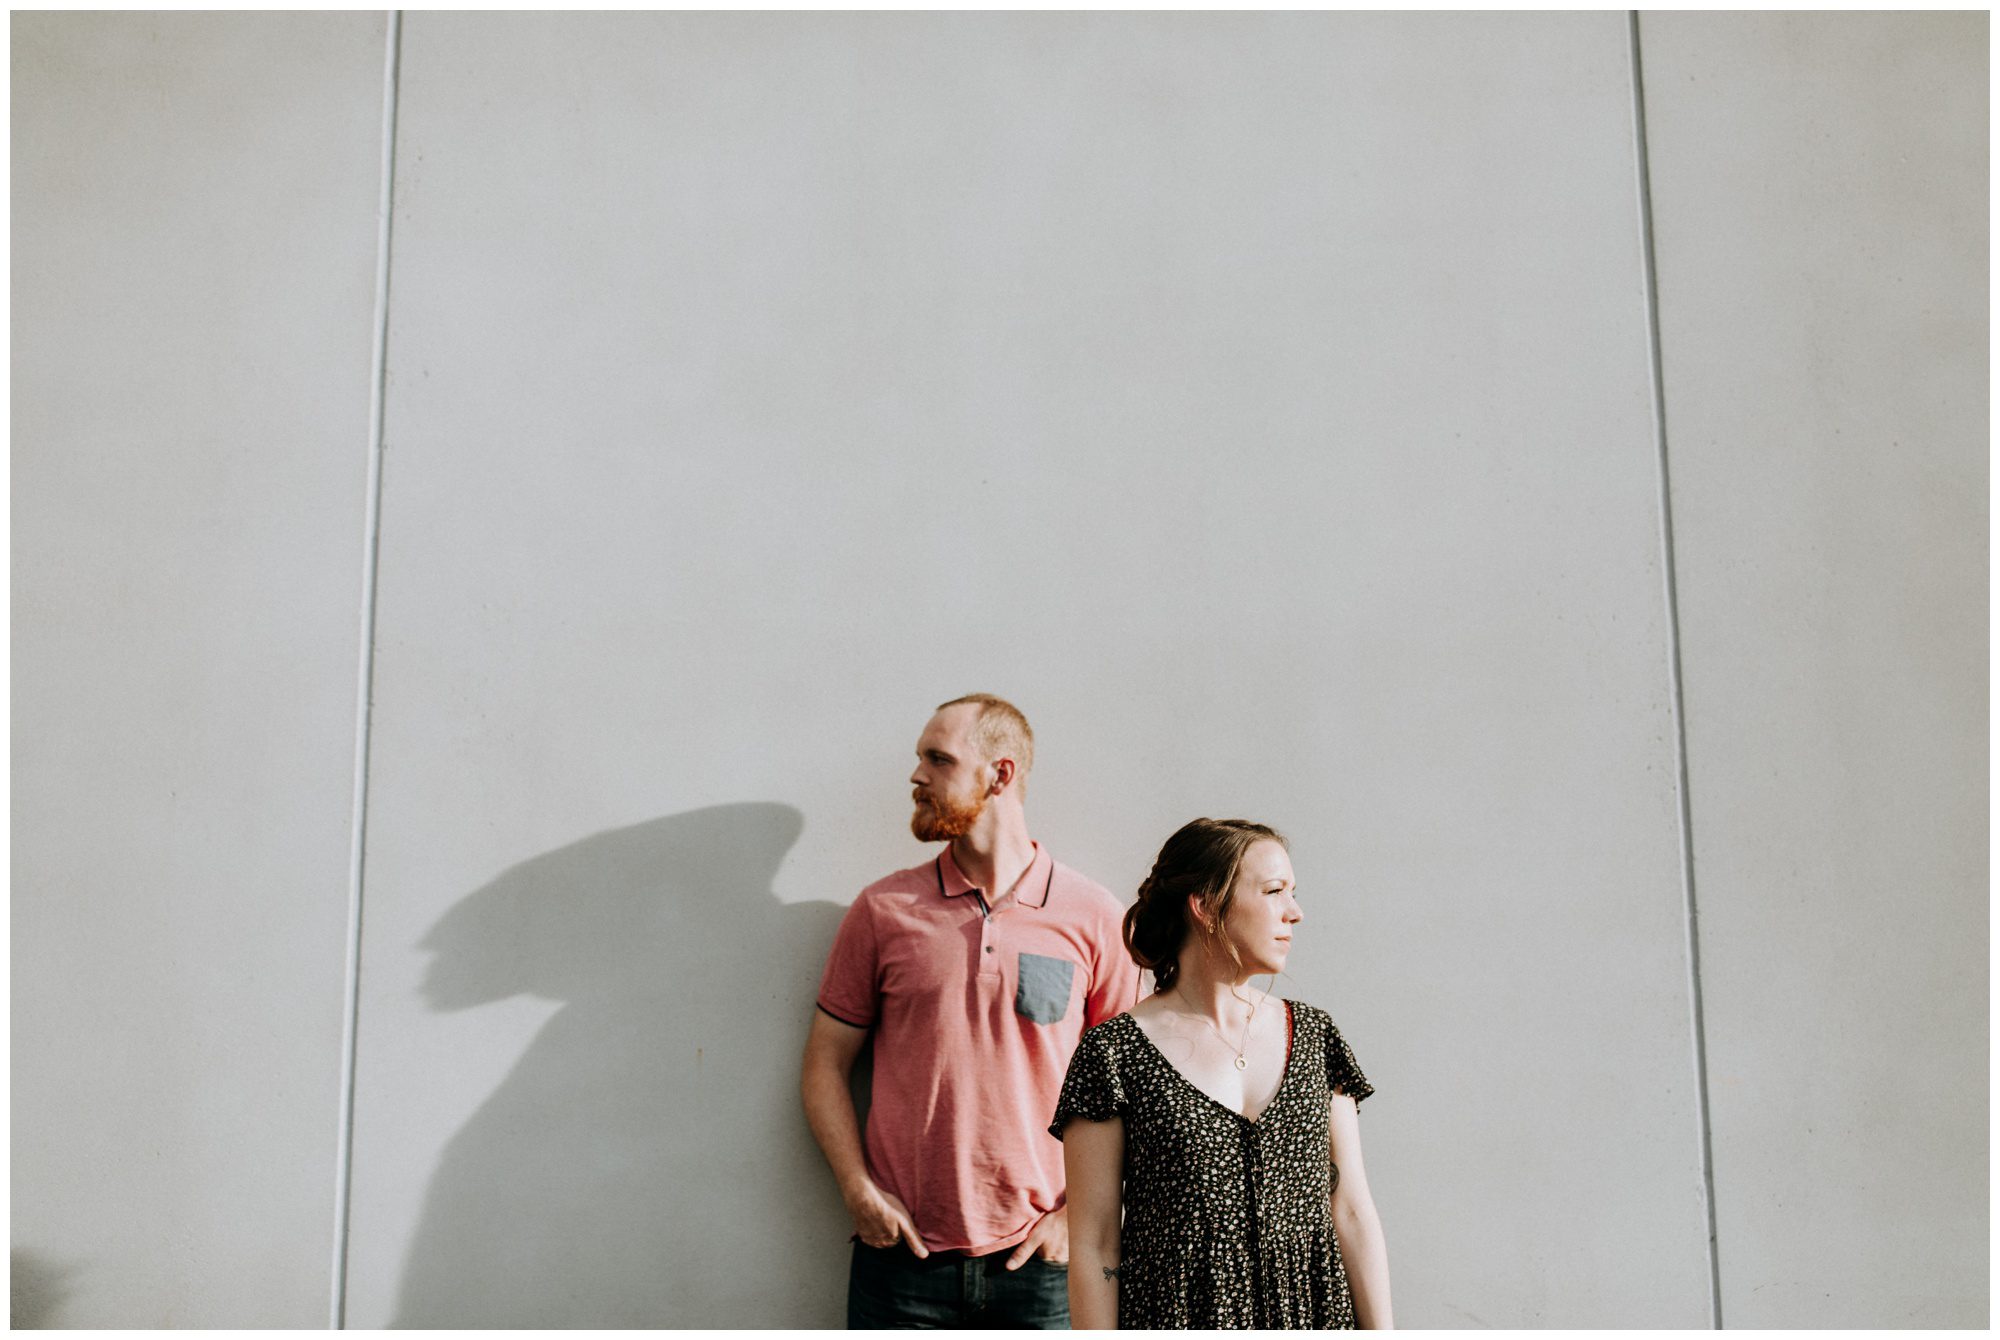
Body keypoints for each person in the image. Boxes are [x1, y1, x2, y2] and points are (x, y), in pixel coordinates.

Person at [801, 694, 1142, 1328]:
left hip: (1041, 1269)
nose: (916, 776)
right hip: (900, 1262)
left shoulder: (1093, 916)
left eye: (938, 759)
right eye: (920, 759)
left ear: (1000, 773)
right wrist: (857, 1189)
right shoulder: (883, 910)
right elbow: (825, 1063)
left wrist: (1079, 1219)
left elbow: (1136, 1090)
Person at [1053, 818, 1392, 1329]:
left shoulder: (1317, 1038)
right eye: (1274, 891)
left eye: (1292, 894)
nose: (1294, 913)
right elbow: (1095, 1240)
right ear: (1206, 906)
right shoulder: (1113, 1055)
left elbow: (1351, 1210)